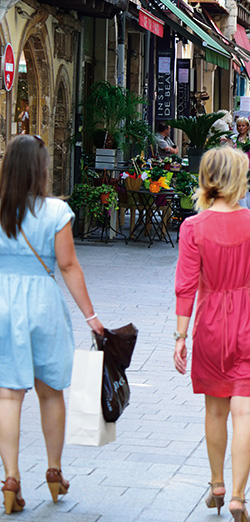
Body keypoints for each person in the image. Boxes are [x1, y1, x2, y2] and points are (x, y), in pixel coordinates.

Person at [174, 146, 250, 522]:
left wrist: (180, 337)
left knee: (215, 408)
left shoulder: (193, 227)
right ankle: (240, 495)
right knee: (246, 411)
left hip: (211, 323)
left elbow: (186, 285)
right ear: (239, 178)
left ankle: (217, 485)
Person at [0, 135, 105, 515]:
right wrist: (91, 318)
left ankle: (10, 478)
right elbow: (68, 265)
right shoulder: (56, 211)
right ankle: (54, 472)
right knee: (50, 391)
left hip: (2, 304)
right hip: (42, 302)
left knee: (8, 394)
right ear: (41, 168)